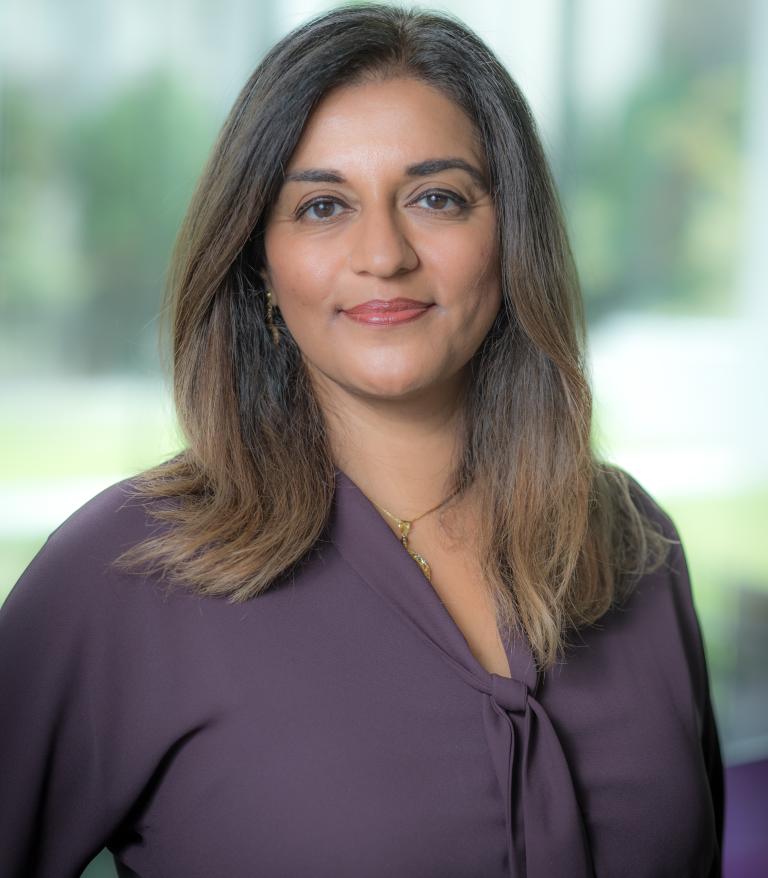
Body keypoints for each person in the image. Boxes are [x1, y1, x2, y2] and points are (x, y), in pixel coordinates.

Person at [0, 4, 723, 876]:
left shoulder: (635, 548)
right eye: (322, 206)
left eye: (435, 198)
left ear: (508, 238)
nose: (383, 254)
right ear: (258, 262)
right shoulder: (124, 576)